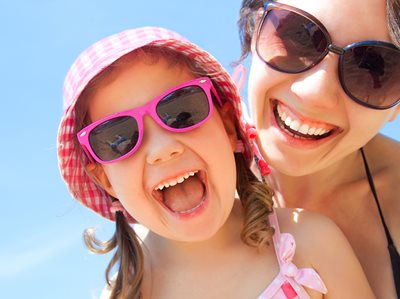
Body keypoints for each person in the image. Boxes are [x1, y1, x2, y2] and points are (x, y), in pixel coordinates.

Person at [57, 26, 374, 299]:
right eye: (118, 138)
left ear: (226, 126)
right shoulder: (124, 292)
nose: (162, 150)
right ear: (106, 180)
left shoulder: (309, 242)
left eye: (182, 111)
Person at [237, 0, 400, 298]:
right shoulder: (186, 193)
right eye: (298, 35)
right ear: (254, 27)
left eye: (372, 67)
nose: (315, 94)